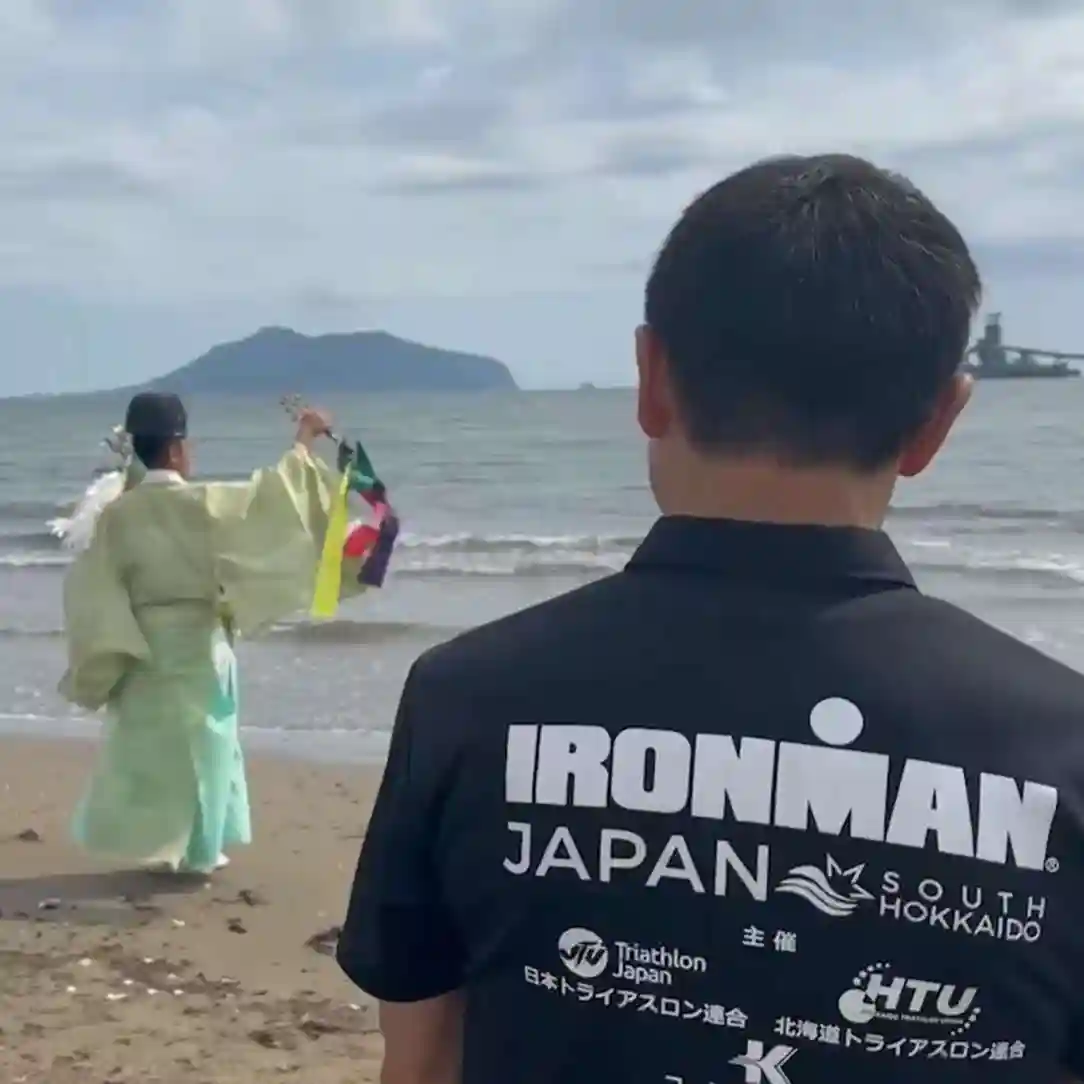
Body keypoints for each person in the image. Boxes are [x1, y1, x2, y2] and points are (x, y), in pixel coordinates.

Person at [335, 154, 1084, 1084]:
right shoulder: (1063, 747)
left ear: (651, 379)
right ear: (938, 421)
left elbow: (421, 1063)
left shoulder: (467, 701)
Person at [59, 391, 361, 875]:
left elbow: (96, 582)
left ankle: (165, 842)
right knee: (208, 744)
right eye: (188, 444)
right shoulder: (201, 503)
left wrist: (108, 650)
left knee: (153, 748)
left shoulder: (117, 513)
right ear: (175, 449)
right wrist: (304, 440)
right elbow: (273, 499)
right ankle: (200, 851)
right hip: (199, 640)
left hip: (144, 643)